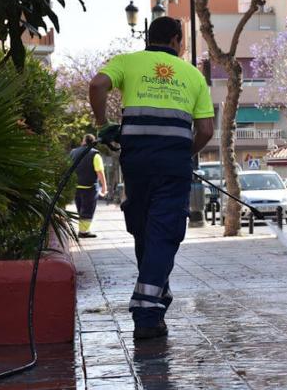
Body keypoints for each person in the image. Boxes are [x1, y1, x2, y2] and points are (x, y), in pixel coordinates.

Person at [88, 17, 214, 339]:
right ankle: (146, 310)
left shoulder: (128, 62)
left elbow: (97, 85)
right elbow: (205, 131)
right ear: (176, 39)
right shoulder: (193, 75)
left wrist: (103, 124)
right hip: (173, 165)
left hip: (137, 161)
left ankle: (158, 297)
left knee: (145, 228)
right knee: (165, 232)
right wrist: (184, 154)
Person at [70, 134, 107, 238]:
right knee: (87, 210)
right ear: (93, 142)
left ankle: (83, 230)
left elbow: (68, 168)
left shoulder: (73, 152)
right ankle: (83, 232)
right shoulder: (95, 154)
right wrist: (104, 186)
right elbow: (100, 171)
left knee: (80, 208)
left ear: (83, 141)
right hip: (89, 187)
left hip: (76, 186)